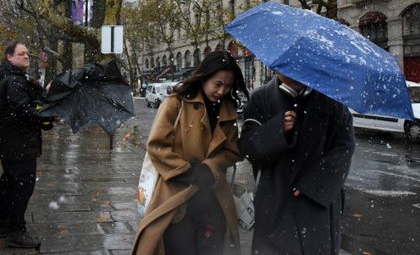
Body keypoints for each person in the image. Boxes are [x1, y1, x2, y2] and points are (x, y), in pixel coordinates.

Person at [133, 51, 249, 255]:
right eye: (217, 83)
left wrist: (210, 166)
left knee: (212, 247)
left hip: (212, 193)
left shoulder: (228, 109)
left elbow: (233, 151)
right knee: (180, 246)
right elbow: (157, 146)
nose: (222, 91)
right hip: (176, 192)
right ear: (204, 77)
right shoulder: (175, 103)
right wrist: (188, 171)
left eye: (228, 86)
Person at [238, 72, 355, 255]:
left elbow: (344, 148)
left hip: (317, 206)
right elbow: (249, 147)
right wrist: (278, 129)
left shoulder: (331, 100)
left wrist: (315, 183)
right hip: (275, 200)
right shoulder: (260, 99)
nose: (296, 74)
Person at [0, 41, 55, 248]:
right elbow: (23, 110)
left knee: (9, 185)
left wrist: (46, 97)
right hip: (18, 145)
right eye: (21, 54)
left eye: (27, 53)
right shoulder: (15, 81)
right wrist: (45, 116)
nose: (26, 56)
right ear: (9, 57)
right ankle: (15, 231)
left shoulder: (16, 79)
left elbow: (30, 105)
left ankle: (1, 226)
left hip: (14, 144)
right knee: (22, 186)